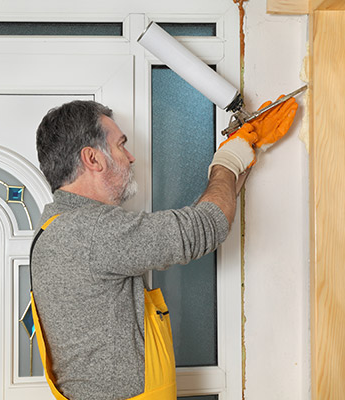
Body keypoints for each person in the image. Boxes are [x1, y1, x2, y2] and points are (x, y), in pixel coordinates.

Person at [32, 97, 298, 400]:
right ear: (93, 159)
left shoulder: (58, 228)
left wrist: (242, 154)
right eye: (121, 145)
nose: (130, 157)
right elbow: (205, 228)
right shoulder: (92, 231)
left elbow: (200, 223)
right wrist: (228, 161)